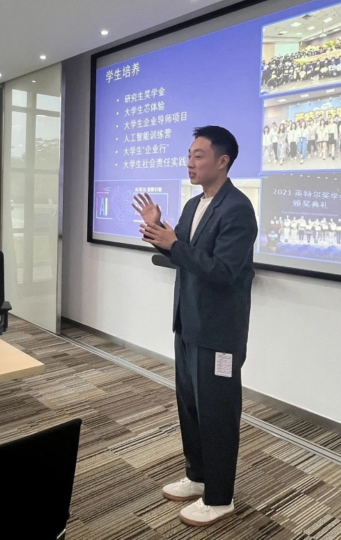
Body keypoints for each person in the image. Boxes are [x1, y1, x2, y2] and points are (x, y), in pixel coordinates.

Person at [133, 126, 257, 528]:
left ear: (223, 161)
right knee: (190, 406)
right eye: (188, 155)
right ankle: (198, 476)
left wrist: (173, 244)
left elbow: (223, 270)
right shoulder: (192, 205)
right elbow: (181, 254)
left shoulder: (237, 209)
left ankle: (220, 498)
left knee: (218, 413)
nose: (189, 162)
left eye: (198, 155)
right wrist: (159, 232)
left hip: (218, 330)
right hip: (188, 323)